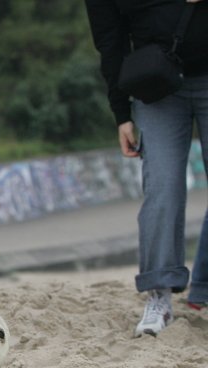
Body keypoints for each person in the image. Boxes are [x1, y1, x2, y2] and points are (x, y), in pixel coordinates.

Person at [84, 0, 208, 336]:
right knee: (162, 189)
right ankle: (159, 297)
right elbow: (111, 44)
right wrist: (121, 114)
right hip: (157, 86)